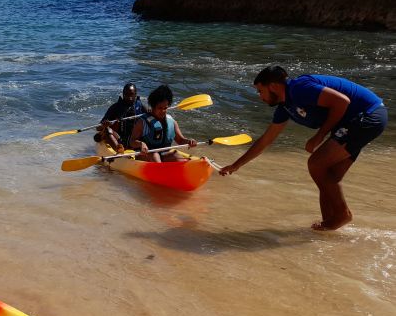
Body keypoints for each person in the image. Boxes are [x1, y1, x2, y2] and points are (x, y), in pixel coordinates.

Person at [219, 66, 387, 230]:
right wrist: (236, 165)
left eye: (260, 91)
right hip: (354, 121)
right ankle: (327, 224)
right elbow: (266, 140)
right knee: (328, 176)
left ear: (273, 86)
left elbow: (342, 102)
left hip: (368, 115)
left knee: (316, 163)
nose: (260, 96)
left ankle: (342, 215)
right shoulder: (285, 107)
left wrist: (319, 136)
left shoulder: (300, 88)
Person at [129, 85, 197, 162]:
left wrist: (189, 141)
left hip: (163, 155)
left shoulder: (172, 122)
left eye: (165, 108)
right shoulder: (142, 122)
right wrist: (141, 144)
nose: (163, 111)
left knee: (175, 155)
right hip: (146, 155)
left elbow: (181, 140)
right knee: (155, 156)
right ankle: (160, 171)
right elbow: (132, 141)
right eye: (160, 108)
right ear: (153, 107)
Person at [95, 83, 144, 153]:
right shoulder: (115, 107)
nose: (129, 97)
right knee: (107, 130)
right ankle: (119, 150)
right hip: (120, 139)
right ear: (123, 94)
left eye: (131, 94)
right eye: (126, 94)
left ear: (135, 94)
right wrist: (105, 125)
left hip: (135, 140)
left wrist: (150, 112)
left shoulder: (140, 106)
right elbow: (98, 127)